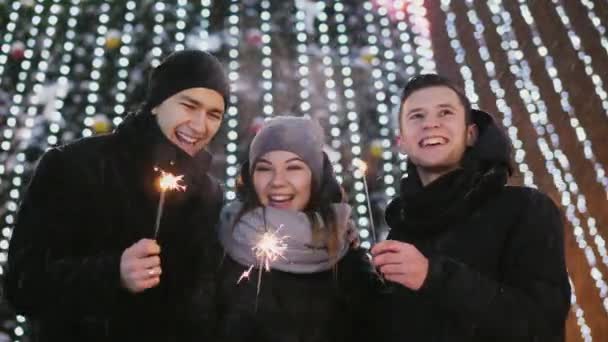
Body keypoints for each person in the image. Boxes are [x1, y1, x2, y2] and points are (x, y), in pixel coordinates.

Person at [4, 50, 229, 341]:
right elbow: (22, 285)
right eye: (189, 106)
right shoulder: (74, 166)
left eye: (214, 114)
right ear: (156, 105)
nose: (200, 126)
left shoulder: (210, 194)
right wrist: (112, 274)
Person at [371, 74, 571, 341]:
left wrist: (434, 277)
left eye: (445, 112)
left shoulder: (525, 209)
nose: (430, 124)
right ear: (402, 143)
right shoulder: (402, 232)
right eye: (417, 116)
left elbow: (541, 325)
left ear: (470, 134)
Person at [215, 116, 377, 342]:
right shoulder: (221, 246)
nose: (277, 181)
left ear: (316, 178)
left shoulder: (345, 254)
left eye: (293, 167)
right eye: (264, 168)